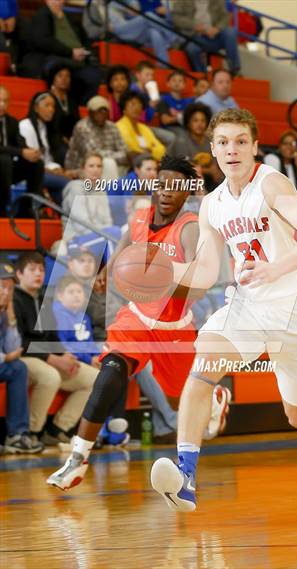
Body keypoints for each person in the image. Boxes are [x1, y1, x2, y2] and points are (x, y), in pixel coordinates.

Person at [148, 108, 297, 513]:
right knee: (205, 359)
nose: (232, 149)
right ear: (212, 150)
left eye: (241, 141)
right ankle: (186, 476)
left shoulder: (271, 183)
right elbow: (207, 272)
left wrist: (276, 267)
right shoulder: (211, 205)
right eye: (223, 142)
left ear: (255, 147)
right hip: (246, 306)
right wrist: (164, 269)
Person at [47, 156, 231, 490]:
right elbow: (123, 246)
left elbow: (201, 281)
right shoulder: (139, 217)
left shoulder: (189, 228)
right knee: (111, 373)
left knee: (182, 400)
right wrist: (108, 268)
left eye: (175, 186)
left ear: (185, 193)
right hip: (137, 317)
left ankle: (213, 394)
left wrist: (164, 279)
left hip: (175, 327)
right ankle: (77, 460)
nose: (165, 191)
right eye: (161, 183)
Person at [13, 251, 98, 446]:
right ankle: (32, 432)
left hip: (47, 355)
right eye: (32, 269)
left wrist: (64, 355)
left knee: (94, 379)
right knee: (50, 376)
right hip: (23, 356)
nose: (38, 274)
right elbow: (19, 342)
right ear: (19, 274)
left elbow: (51, 335)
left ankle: (57, 429)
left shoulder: (44, 299)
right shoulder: (13, 299)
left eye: (41, 269)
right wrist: (51, 358)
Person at [21, 0, 102, 105]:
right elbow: (43, 41)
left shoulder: (70, 17)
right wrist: (70, 52)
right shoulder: (42, 16)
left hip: (78, 59)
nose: (57, 2)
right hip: (55, 58)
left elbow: (84, 38)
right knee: (63, 71)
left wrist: (85, 52)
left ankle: (83, 109)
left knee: (94, 76)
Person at [0, 263, 44, 454]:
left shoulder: (3, 312)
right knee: (16, 365)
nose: (6, 292)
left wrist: (10, 317)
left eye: (10, 288)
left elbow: (13, 347)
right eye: (2, 286)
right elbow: (9, 353)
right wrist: (5, 357)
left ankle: (17, 435)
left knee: (19, 368)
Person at [19, 91, 77, 202]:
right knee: (67, 182)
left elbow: (47, 158)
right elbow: (31, 161)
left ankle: (65, 215)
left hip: (45, 170)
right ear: (36, 108)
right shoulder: (25, 125)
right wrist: (55, 172)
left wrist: (56, 169)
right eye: (47, 105)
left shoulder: (46, 128)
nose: (51, 110)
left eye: (53, 106)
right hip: (30, 172)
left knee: (73, 183)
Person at [61, 153, 122, 258]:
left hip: (98, 236)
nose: (95, 170)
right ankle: (112, 274)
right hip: (76, 238)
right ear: (83, 169)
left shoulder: (101, 191)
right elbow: (82, 225)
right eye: (91, 166)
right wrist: (106, 232)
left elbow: (108, 221)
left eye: (99, 166)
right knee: (114, 234)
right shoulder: (75, 188)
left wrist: (106, 231)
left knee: (122, 233)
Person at [0, 85, 44, 217]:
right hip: (3, 165)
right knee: (4, 159)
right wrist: (21, 152)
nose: (2, 104)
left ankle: (27, 208)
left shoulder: (12, 122)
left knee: (36, 164)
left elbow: (20, 143)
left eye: (5, 101)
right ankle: (2, 208)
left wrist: (30, 152)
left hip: (7, 170)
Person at [65, 96, 129, 179]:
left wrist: (126, 157)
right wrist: (124, 157)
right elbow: (94, 154)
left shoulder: (112, 126)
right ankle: (110, 191)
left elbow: (124, 150)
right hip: (80, 168)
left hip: (107, 164)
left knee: (131, 166)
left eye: (104, 111)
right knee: (108, 163)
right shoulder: (82, 127)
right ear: (90, 113)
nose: (101, 114)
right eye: (98, 111)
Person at [171, 0, 241, 75]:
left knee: (230, 32)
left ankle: (234, 70)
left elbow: (225, 17)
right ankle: (202, 75)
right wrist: (194, 26)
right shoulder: (182, 2)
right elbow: (175, 18)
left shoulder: (218, 1)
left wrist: (217, 29)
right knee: (192, 48)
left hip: (215, 35)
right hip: (194, 36)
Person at [168, 102, 222, 188]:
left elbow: (213, 164)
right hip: (178, 180)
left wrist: (215, 171)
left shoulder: (209, 140)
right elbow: (185, 168)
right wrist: (210, 171)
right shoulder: (180, 141)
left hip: (204, 179)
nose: (199, 124)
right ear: (188, 123)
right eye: (195, 120)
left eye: (203, 120)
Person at [130, 61, 175, 147]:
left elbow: (148, 118)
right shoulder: (132, 91)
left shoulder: (148, 91)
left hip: (145, 127)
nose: (150, 78)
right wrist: (151, 107)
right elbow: (138, 117)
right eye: (147, 74)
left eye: (152, 75)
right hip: (134, 127)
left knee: (171, 138)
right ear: (138, 75)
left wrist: (153, 106)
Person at [116, 92, 166, 163]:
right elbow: (131, 149)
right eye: (132, 104)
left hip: (150, 164)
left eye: (139, 104)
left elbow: (162, 149)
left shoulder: (144, 128)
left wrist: (150, 151)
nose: (136, 107)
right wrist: (151, 150)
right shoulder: (119, 126)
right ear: (124, 109)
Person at [264, 130, 297, 196]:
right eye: (285, 144)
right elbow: (274, 187)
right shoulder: (272, 158)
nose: (289, 147)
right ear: (280, 146)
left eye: (292, 144)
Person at [47, 63, 80, 146]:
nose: (64, 79)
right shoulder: (46, 98)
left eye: (67, 76)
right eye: (60, 76)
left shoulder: (72, 102)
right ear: (53, 79)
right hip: (52, 141)